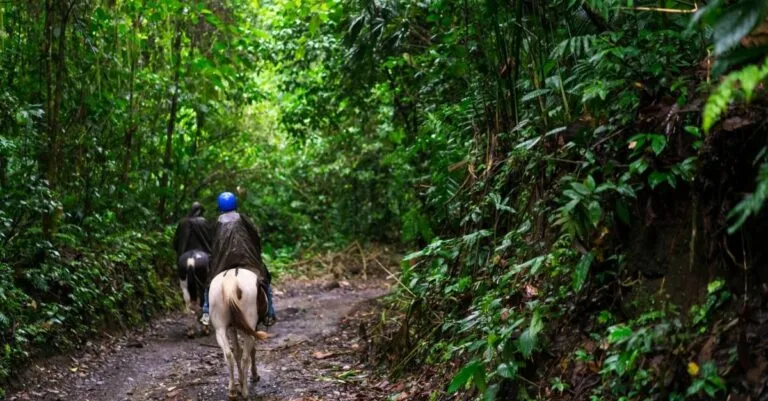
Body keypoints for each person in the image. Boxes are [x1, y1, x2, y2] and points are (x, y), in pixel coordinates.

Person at [200, 192, 276, 327]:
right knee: (264, 279)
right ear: (235, 203)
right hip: (246, 258)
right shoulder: (243, 218)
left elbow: (212, 243)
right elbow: (255, 236)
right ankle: (270, 312)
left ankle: (206, 309)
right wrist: (256, 252)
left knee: (209, 283)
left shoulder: (216, 223)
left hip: (222, 262)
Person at [173, 202, 213, 322]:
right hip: (203, 258)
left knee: (185, 290)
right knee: (206, 288)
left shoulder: (182, 223)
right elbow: (210, 241)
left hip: (185, 258)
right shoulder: (204, 222)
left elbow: (176, 243)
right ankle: (205, 321)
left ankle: (190, 325)